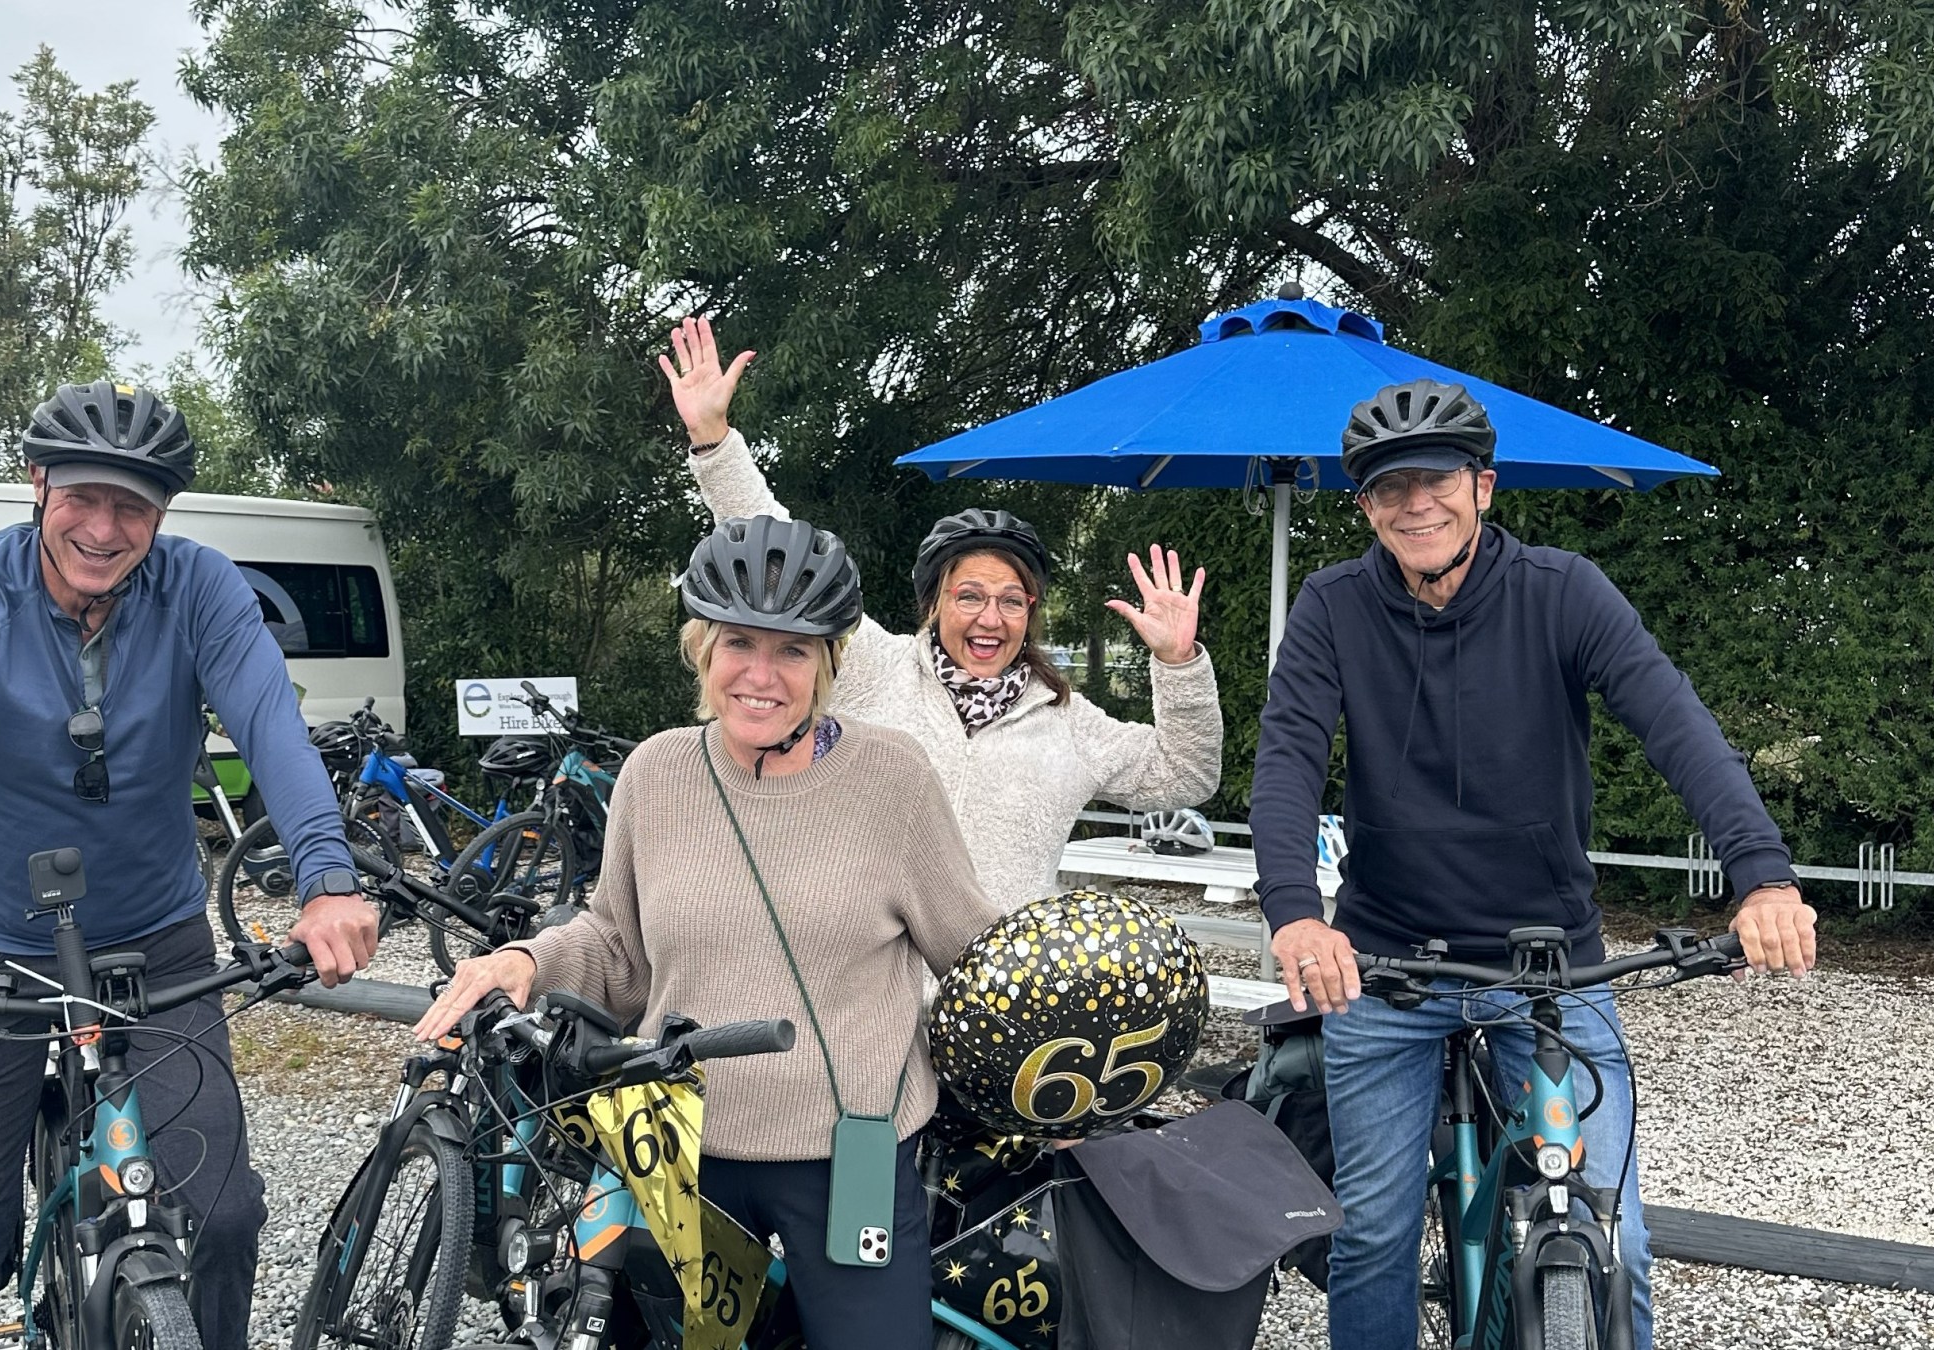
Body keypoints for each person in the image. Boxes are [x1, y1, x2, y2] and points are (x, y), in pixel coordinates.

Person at [1247, 377, 1821, 1350]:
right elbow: (1288, 758)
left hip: (1545, 971)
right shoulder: (1333, 606)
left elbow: (1677, 729)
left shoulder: (1565, 593)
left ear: (1484, 488)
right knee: (1375, 1236)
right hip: (1388, 968)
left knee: (1612, 1235)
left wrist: (1762, 877)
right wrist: (1295, 911)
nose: (1415, 502)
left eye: (1435, 480)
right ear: (1367, 507)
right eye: (1390, 488)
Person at [0, 380, 379, 1350]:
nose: (105, 529)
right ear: (37, 482)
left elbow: (270, 724)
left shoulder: (198, 586)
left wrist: (327, 878)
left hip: (155, 947)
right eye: (83, 496)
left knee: (227, 1214)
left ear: (163, 516)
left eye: (135, 507)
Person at [416, 514, 1004, 1350]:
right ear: (703, 649)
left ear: (828, 665)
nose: (761, 675)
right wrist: (524, 960)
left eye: (792, 651)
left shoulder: (893, 780)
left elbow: (974, 953)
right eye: (738, 644)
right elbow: (618, 947)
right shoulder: (656, 773)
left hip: (848, 1156)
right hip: (679, 1147)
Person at [659, 317, 1225, 906]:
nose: (990, 618)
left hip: (1001, 992)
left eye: (1012, 601)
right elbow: (786, 558)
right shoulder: (877, 667)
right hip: (866, 989)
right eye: (970, 596)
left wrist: (1179, 662)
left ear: (1030, 615)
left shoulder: (1069, 723)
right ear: (934, 603)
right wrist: (714, 440)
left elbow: (1186, 774)